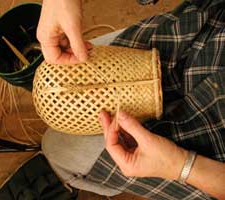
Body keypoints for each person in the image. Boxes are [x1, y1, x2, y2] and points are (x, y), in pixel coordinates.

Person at [37, 0, 225, 199]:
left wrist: (182, 166)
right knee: (69, 60)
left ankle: (113, 184)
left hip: (203, 149)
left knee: (57, 149)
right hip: (198, 36)